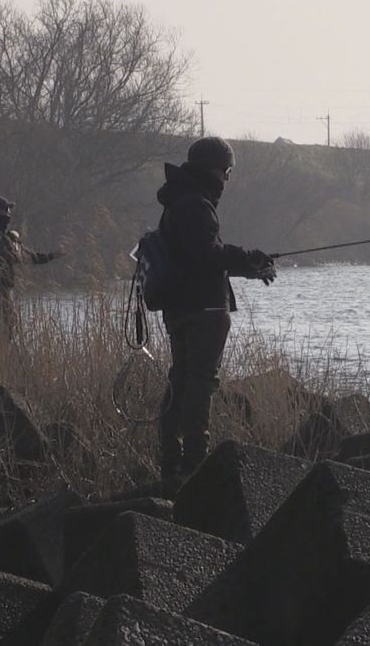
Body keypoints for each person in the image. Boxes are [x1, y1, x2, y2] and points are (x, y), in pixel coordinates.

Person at [155, 136, 276, 485]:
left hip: (179, 308)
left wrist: (249, 265)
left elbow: (202, 254)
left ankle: (171, 462)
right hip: (204, 307)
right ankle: (193, 464)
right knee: (199, 382)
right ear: (213, 169)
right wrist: (248, 258)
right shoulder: (195, 204)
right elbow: (208, 256)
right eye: (226, 171)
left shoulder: (177, 201)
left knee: (181, 379)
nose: (227, 179)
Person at [0, 194, 65, 342]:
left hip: (5, 289)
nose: (9, 213)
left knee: (9, 323)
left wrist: (52, 256)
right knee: (0, 324)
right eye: (6, 209)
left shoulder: (8, 238)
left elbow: (29, 257)